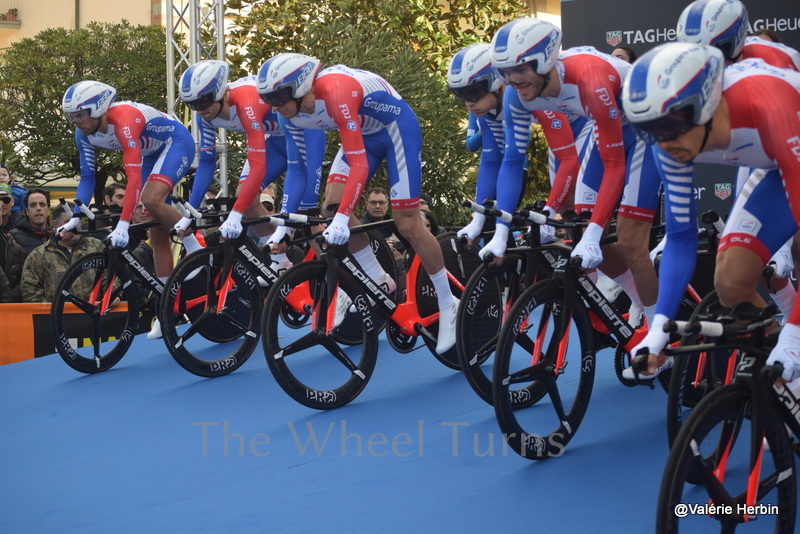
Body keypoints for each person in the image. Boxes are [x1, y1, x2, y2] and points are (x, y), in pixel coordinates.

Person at [620, 42, 800, 382]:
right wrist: (658, 329)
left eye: (669, 126)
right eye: (649, 129)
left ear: (705, 105)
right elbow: (680, 237)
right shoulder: (668, 139)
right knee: (731, 280)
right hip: (773, 164)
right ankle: (784, 377)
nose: (662, 142)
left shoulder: (767, 104)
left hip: (790, 138)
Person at [257, 53, 459, 354]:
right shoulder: (291, 116)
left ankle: (448, 302)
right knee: (331, 209)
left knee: (407, 221)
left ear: (300, 87)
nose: (274, 106)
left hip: (395, 130)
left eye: (278, 96)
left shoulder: (335, 90)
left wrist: (343, 219)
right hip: (363, 135)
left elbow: (361, 165)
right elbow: (297, 169)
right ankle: (378, 277)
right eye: (267, 98)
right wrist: (285, 227)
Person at [486, 17, 661, 328]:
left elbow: (615, 163)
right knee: (578, 225)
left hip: (647, 129)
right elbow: (513, 161)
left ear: (547, 60)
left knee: (629, 242)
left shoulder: (589, 80)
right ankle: (635, 297)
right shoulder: (517, 93)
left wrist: (597, 232)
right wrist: (501, 232)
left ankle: (658, 333)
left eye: (522, 69)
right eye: (506, 71)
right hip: (608, 127)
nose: (514, 80)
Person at [673, 0, 800, 332]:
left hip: (788, 137)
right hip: (767, 153)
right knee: (730, 280)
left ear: (736, 44)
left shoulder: (769, 67)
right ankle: (779, 364)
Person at [59, 80, 203, 339]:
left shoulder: (123, 120)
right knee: (157, 234)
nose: (75, 121)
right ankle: (167, 309)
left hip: (175, 143)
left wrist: (123, 225)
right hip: (152, 154)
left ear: (98, 109)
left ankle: (195, 248)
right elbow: (87, 178)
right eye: (71, 116)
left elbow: (133, 180)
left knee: (150, 200)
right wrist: (74, 219)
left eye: (79, 115)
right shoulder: (83, 133)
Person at [178, 60, 325, 270]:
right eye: (192, 105)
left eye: (203, 101)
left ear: (220, 92)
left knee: (306, 216)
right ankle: (280, 262)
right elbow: (208, 162)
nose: (199, 110)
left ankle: (342, 276)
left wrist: (234, 215)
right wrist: (190, 212)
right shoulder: (205, 118)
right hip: (277, 141)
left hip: (306, 138)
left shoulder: (246, 101)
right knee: (245, 201)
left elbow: (258, 166)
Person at [21, 202, 104, 303]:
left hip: (95, 313)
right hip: (56, 316)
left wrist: (112, 295)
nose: (75, 227)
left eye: (78, 222)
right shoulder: (39, 255)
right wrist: (48, 311)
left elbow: (112, 274)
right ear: (55, 224)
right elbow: (30, 290)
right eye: (68, 222)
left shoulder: (96, 246)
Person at [10, 189, 51, 254]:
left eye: (42, 204)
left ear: (48, 209)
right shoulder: (13, 238)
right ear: (27, 211)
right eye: (33, 205)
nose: (38, 208)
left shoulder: (57, 235)